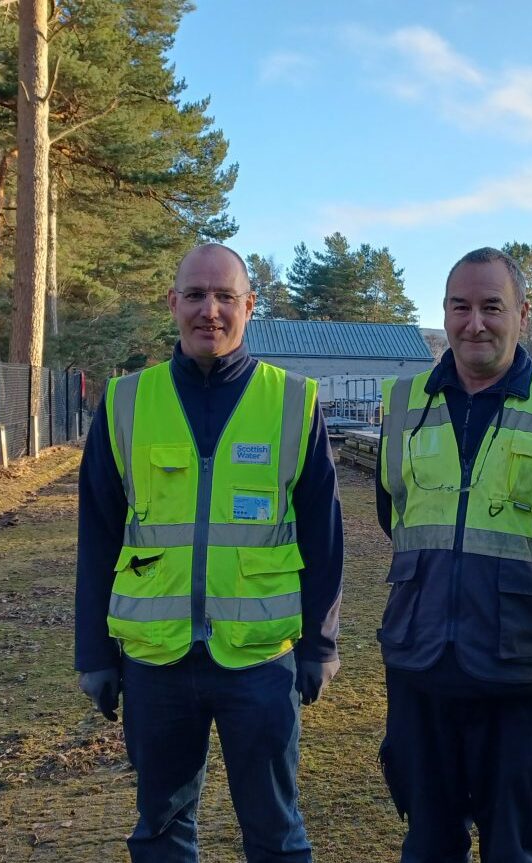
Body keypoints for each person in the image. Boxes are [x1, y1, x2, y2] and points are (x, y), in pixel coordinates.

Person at [74, 243, 343, 863]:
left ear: (251, 306)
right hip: (155, 661)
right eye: (195, 295)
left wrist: (320, 645)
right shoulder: (125, 402)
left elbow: (325, 537)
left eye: (226, 297)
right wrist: (94, 653)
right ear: (173, 303)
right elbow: (98, 536)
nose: (210, 311)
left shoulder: (293, 401)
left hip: (260, 663)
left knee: (276, 834)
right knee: (161, 830)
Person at [375, 247, 532, 862]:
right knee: (429, 843)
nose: (475, 323)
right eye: (460, 307)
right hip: (422, 665)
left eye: (492, 307)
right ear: (444, 312)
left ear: (524, 313)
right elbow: (396, 514)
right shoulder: (404, 405)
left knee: (514, 849)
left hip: (522, 671)